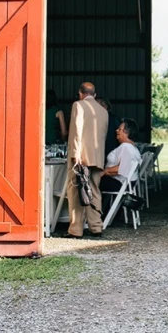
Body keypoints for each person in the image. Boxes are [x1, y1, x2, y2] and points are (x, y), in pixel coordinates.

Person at [66, 82, 108, 239]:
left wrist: (76, 153)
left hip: (81, 157)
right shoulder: (103, 111)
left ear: (80, 93)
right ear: (94, 95)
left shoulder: (78, 105)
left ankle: (76, 229)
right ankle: (96, 226)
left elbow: (77, 130)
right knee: (94, 190)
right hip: (97, 157)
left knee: (76, 190)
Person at [100, 118, 142, 193]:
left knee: (90, 181)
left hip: (119, 183)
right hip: (127, 183)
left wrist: (102, 172)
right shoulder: (134, 148)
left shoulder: (126, 146)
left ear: (127, 132)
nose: (116, 131)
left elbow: (120, 169)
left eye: (119, 129)